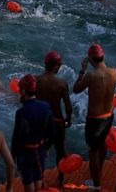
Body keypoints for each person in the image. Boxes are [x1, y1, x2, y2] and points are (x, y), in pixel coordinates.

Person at [72, 43, 116, 189]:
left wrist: (82, 70)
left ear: (91, 59)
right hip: (109, 115)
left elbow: (76, 89)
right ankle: (100, 168)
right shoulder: (114, 72)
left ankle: (96, 186)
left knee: (93, 152)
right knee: (103, 142)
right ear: (103, 56)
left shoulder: (91, 75)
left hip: (94, 119)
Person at [36, 51, 72, 182]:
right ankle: (61, 177)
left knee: (40, 150)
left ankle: (39, 178)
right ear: (56, 66)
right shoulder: (61, 83)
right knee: (60, 151)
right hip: (56, 122)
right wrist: (68, 119)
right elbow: (68, 106)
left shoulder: (36, 80)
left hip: (41, 122)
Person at [11, 74, 52, 192]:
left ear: (23, 91)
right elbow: (52, 131)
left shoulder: (21, 112)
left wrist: (13, 157)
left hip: (26, 152)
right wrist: (46, 147)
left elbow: (16, 138)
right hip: (40, 149)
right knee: (38, 177)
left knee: (28, 180)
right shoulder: (45, 106)